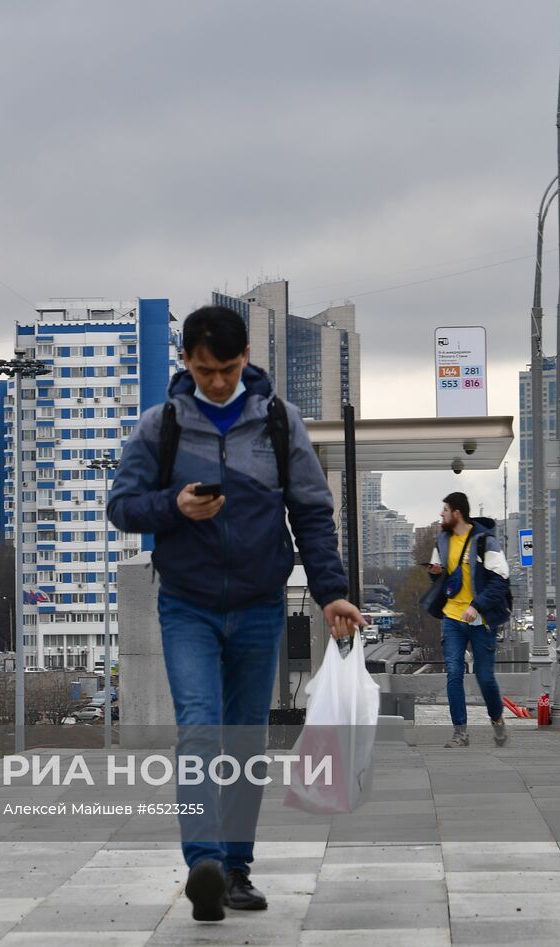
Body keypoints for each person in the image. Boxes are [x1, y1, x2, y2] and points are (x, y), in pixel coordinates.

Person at [107, 305, 364, 923]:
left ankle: (237, 869)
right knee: (199, 730)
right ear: (185, 362)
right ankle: (206, 866)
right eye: (203, 369)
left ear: (245, 357)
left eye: (225, 369)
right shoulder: (160, 426)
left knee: (246, 740)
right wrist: (175, 505)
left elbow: (311, 511)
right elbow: (122, 506)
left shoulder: (279, 423)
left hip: (257, 606)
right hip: (187, 606)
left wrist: (330, 591)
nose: (216, 381)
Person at [425, 492, 511, 748]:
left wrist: (477, 605)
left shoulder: (485, 541)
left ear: (457, 513)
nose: (441, 514)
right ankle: (460, 732)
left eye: (445, 510)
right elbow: (439, 576)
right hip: (452, 617)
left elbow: (500, 580)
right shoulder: (442, 540)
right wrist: (434, 573)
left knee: (485, 677)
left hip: (480, 620)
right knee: (454, 673)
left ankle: (497, 720)